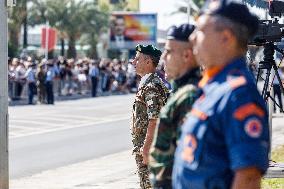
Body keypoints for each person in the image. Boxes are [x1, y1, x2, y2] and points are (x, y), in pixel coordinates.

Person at [173, 1, 270, 189]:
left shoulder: (238, 95)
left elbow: (248, 178)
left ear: (226, 38)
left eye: (200, 31)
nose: (192, 38)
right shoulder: (214, 88)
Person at [148, 24, 201, 189]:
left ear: (186, 55)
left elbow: (191, 158)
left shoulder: (190, 96)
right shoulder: (180, 92)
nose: (163, 58)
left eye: (169, 52)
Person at [131, 44, 169, 189]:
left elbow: (154, 119)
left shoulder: (151, 86)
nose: (133, 62)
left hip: (149, 150)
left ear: (148, 62)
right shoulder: (148, 83)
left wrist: (146, 149)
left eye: (137, 59)